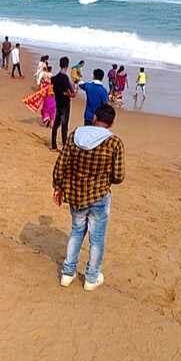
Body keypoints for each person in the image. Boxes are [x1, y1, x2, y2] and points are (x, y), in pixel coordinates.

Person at [53, 103, 125, 291]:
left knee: (76, 232)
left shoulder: (76, 134)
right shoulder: (114, 142)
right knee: (97, 238)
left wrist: (58, 186)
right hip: (99, 195)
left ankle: (67, 273)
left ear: (94, 117)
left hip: (76, 194)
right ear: (111, 123)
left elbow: (61, 163)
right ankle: (91, 278)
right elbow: (118, 176)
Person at [51, 56, 75, 151]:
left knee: (56, 125)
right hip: (65, 104)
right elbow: (71, 92)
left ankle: (54, 145)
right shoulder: (65, 78)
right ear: (67, 66)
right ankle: (64, 146)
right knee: (64, 126)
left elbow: (57, 90)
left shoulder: (55, 78)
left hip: (58, 103)